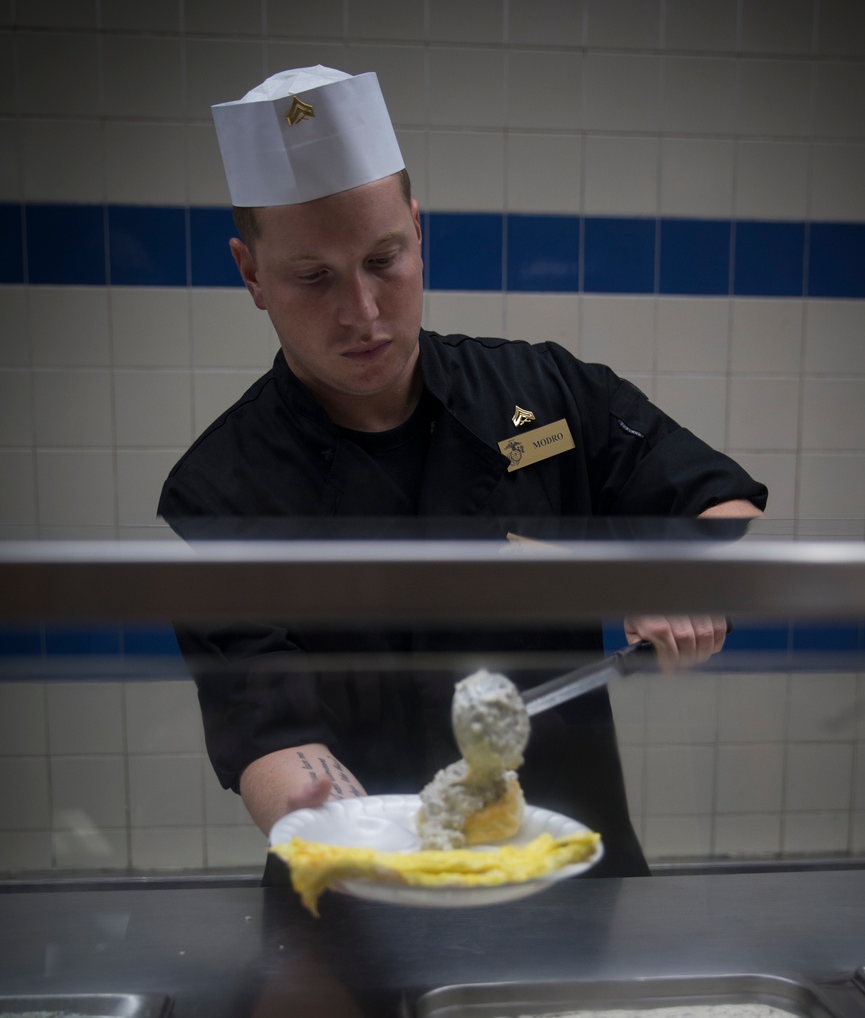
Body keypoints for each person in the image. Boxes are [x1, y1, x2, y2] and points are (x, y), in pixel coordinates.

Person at [159, 67, 767, 878]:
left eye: (385, 258)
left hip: (570, 873)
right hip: (364, 888)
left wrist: (683, 576)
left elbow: (715, 499)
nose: (363, 313)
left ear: (419, 230)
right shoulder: (223, 486)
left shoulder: (543, 393)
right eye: (314, 277)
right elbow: (272, 737)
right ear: (251, 274)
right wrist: (379, 855)